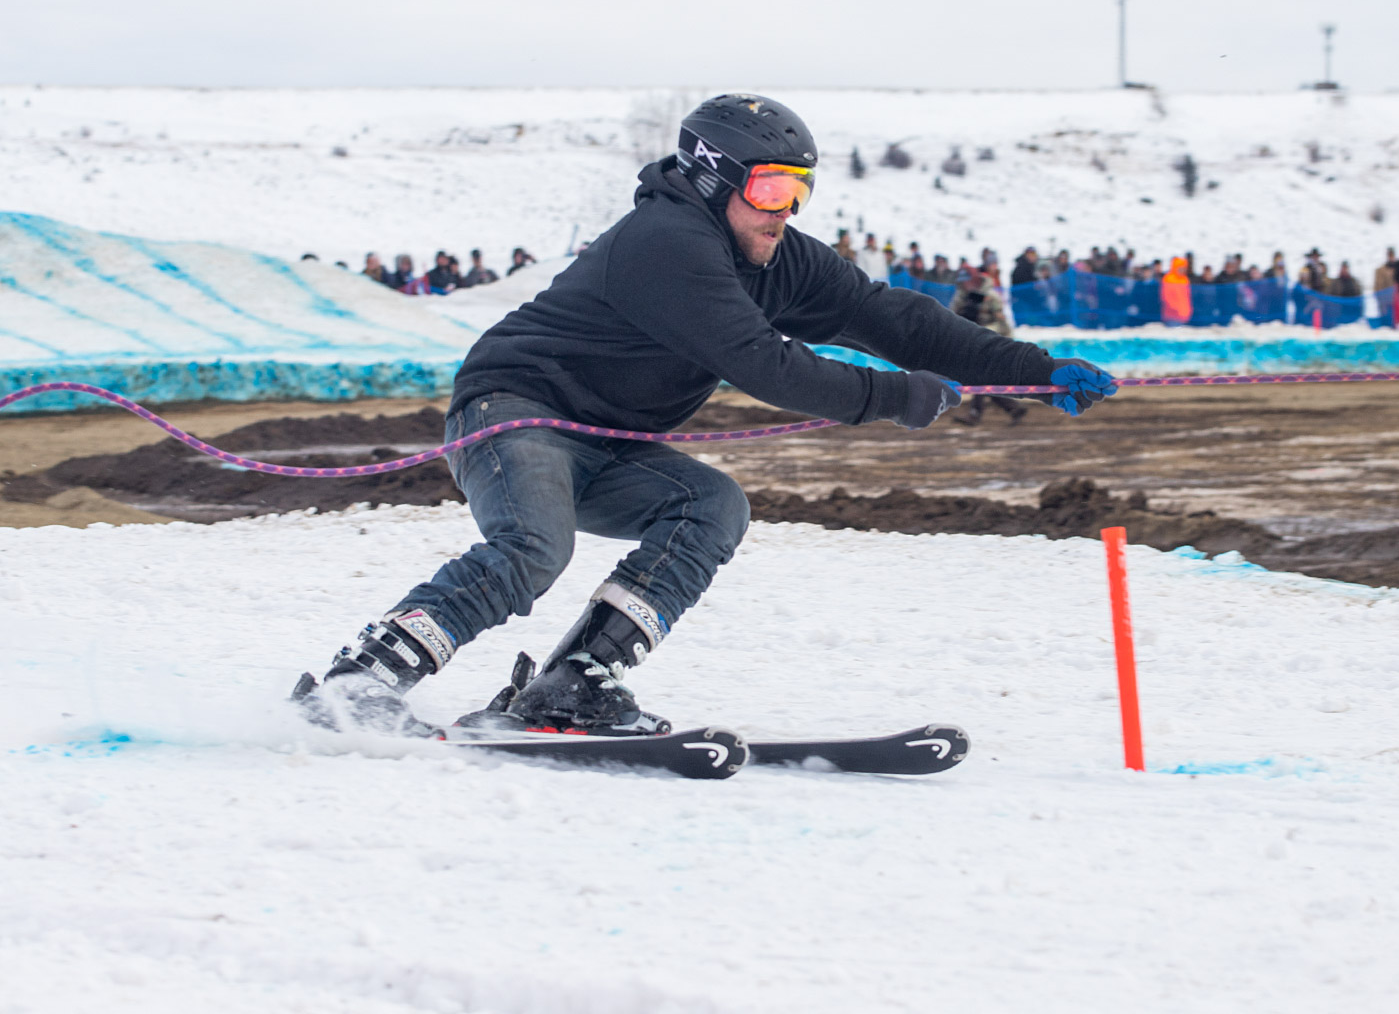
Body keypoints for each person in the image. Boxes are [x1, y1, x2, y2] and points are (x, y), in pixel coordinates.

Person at [297, 94, 1117, 734]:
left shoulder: (773, 253)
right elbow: (765, 364)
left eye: (799, 189)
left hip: (608, 443)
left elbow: (891, 319)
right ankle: (362, 680)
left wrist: (1033, 370)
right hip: (514, 413)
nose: (785, 209)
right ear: (713, 176)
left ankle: (573, 683)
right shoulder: (667, 242)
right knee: (535, 549)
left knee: (712, 504)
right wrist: (896, 398)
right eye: (769, 187)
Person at [951, 272, 1029, 427]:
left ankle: (975, 415)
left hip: (995, 342)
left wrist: (981, 330)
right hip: (975, 343)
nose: (965, 285)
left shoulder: (991, 297)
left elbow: (1003, 325)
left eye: (967, 281)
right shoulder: (961, 298)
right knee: (984, 381)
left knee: (980, 379)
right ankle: (1013, 408)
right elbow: (952, 317)